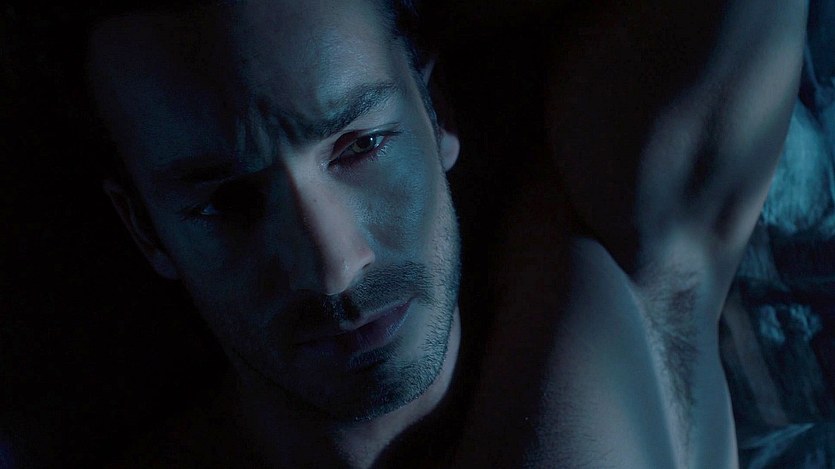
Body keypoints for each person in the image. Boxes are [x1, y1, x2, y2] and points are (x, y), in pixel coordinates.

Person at [85, 0, 809, 466]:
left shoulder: (624, 289)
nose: (335, 268)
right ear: (146, 230)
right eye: (229, 202)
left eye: (361, 146)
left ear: (436, 110)